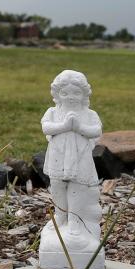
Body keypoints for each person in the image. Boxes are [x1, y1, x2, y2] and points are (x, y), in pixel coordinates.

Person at [41, 69, 103, 247]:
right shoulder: (53, 112)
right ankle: (61, 217)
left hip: (80, 158)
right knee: (58, 187)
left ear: (84, 94)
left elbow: (96, 131)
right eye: (65, 92)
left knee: (77, 189)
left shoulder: (90, 114)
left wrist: (79, 127)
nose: (71, 97)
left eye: (76, 92)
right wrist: (65, 125)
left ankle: (75, 222)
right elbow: (46, 128)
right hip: (58, 158)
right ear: (57, 94)